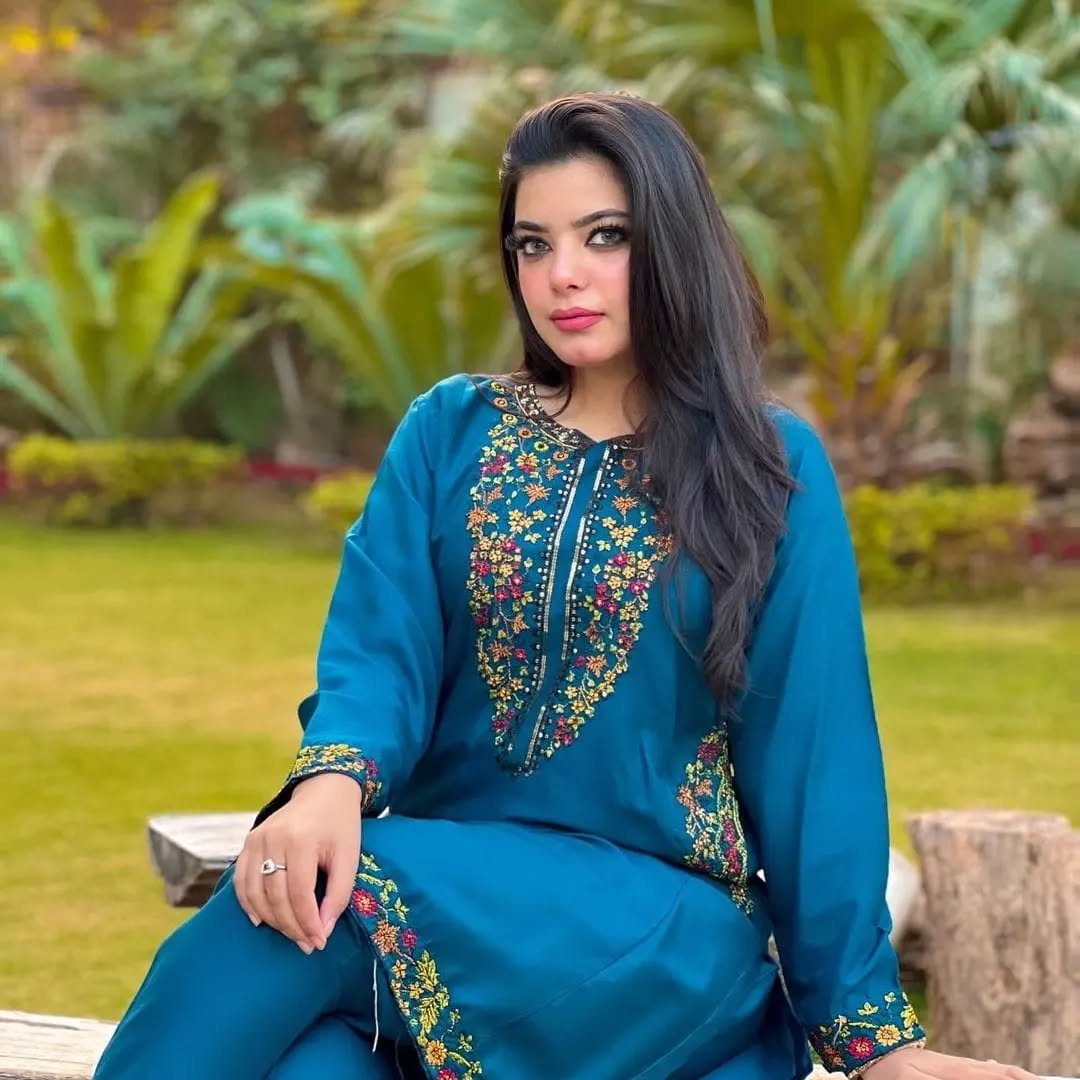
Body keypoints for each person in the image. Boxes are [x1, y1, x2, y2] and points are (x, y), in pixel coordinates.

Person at [93, 93, 1040, 1080]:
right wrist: (330, 778)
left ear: (669, 242)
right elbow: (380, 649)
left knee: (302, 900)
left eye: (605, 236)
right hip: (445, 909)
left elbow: (815, 754)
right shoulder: (449, 433)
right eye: (532, 245)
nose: (564, 275)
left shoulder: (767, 467)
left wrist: (876, 1043)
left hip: (651, 932)